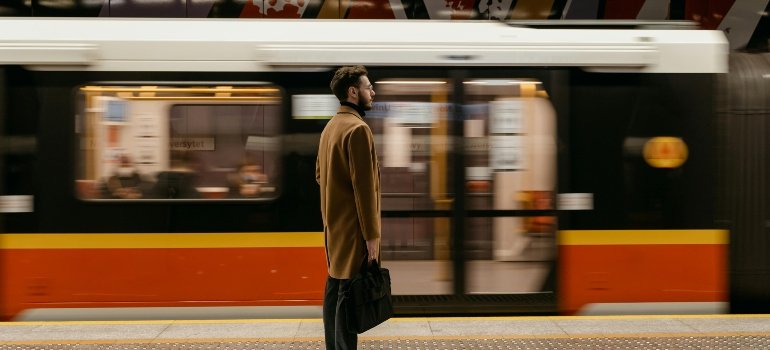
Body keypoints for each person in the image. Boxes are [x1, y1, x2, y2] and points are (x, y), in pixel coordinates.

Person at [316, 65, 381, 350]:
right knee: (347, 295)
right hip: (353, 229)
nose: (372, 92)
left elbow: (320, 176)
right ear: (353, 92)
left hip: (333, 227)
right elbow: (365, 192)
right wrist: (372, 238)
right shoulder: (358, 129)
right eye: (368, 87)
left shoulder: (330, 127)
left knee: (335, 289)